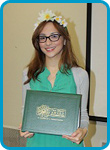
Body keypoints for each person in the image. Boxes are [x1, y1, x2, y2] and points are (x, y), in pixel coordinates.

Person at [19, 9, 89, 147]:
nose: (48, 42)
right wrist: (24, 125)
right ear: (38, 42)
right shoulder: (28, 73)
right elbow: (25, 109)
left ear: (64, 40)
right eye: (42, 37)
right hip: (36, 144)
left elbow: (83, 114)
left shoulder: (80, 74)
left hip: (69, 145)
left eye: (54, 36)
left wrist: (83, 130)